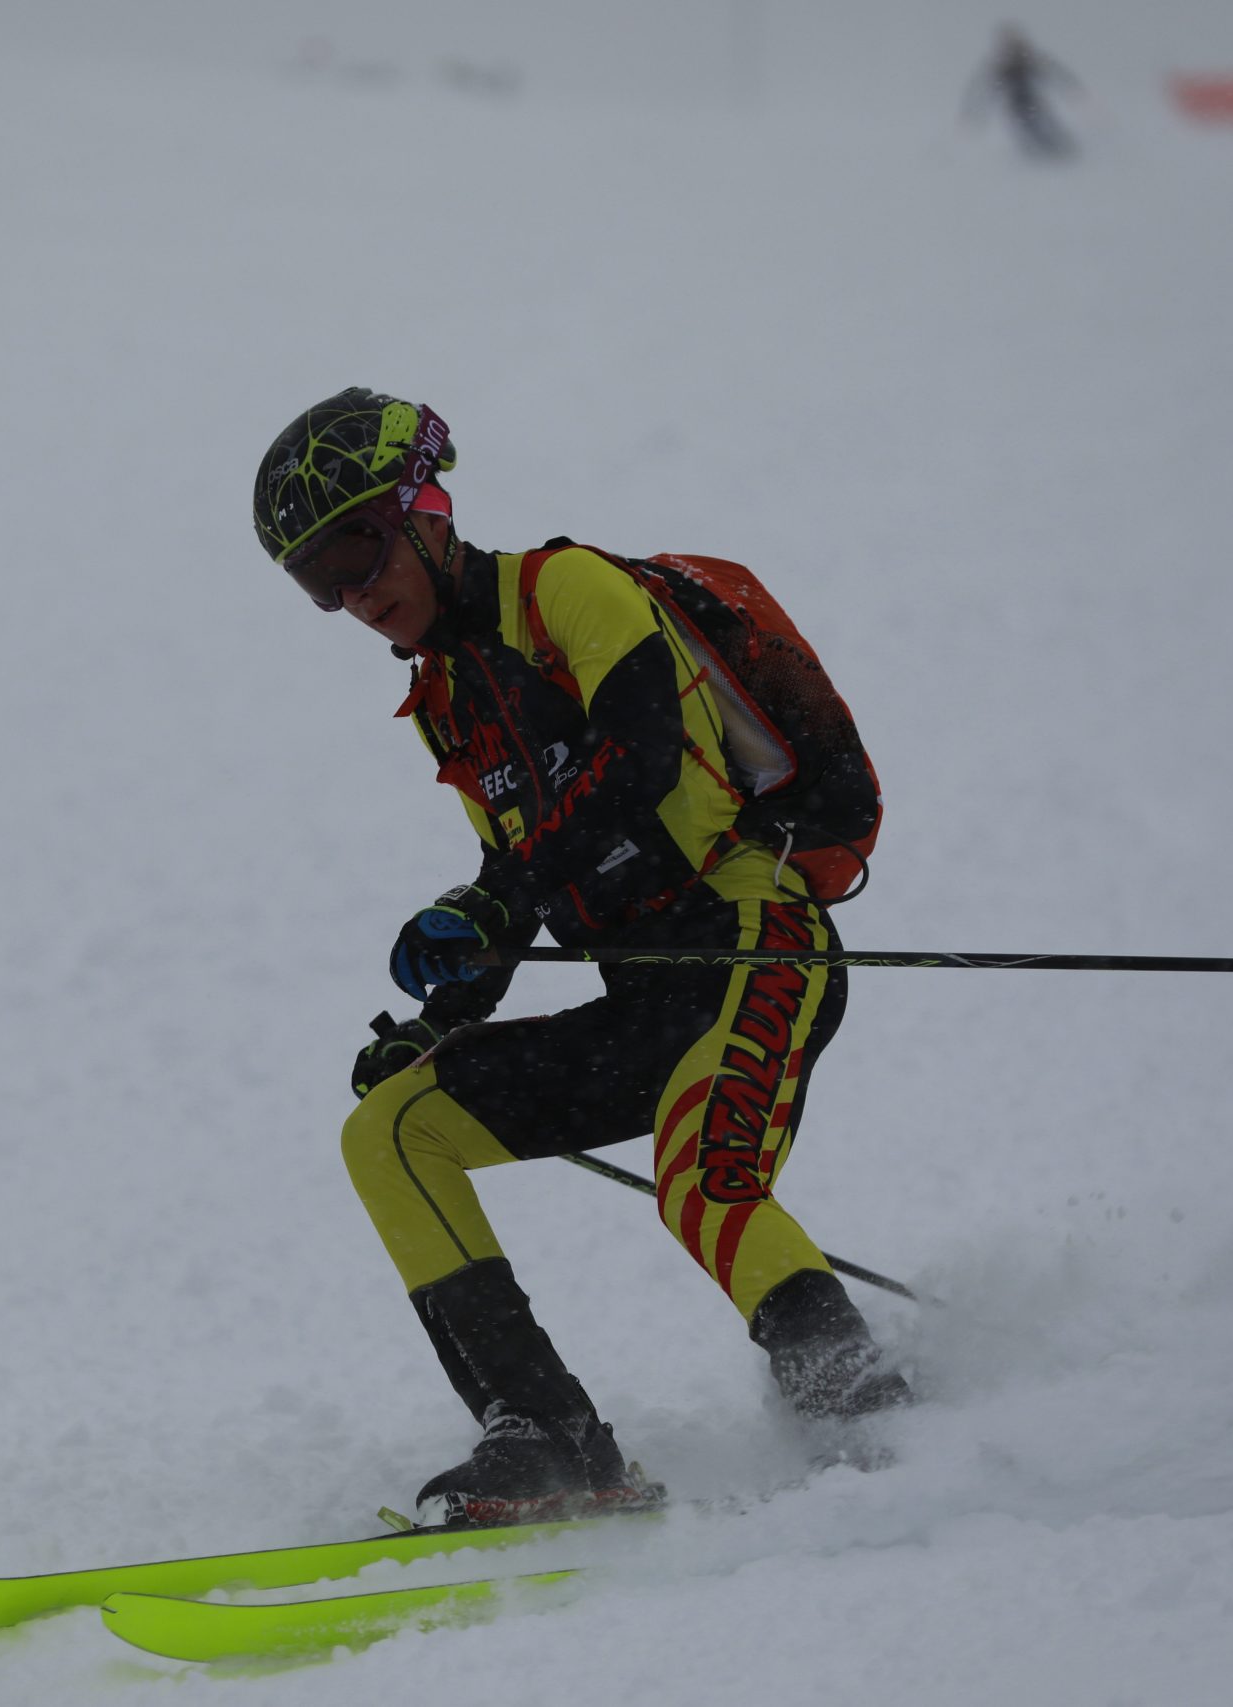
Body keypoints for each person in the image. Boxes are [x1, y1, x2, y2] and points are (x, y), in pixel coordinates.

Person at [251, 388, 909, 1529]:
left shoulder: (565, 590)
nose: (351, 593)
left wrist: (497, 895)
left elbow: (640, 757)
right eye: (317, 578)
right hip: (643, 1002)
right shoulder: (449, 704)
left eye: (356, 548)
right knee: (392, 1130)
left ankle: (881, 1431)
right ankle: (550, 1438)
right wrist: (441, 1019)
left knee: (703, 1183)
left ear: (426, 512)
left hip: (751, 938)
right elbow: (521, 878)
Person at [965, 25, 1083, 159]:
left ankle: (1060, 148)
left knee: (1045, 123)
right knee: (1030, 128)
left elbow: (1055, 71)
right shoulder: (1006, 64)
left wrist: (1071, 88)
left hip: (1030, 100)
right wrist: (974, 113)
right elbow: (982, 89)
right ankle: (1045, 151)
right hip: (1018, 103)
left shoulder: (1024, 60)